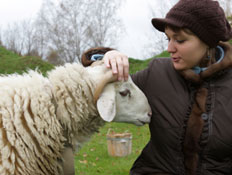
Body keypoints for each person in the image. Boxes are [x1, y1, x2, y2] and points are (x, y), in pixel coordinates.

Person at [82, 0, 232, 174]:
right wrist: (107, 56)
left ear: (209, 41)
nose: (169, 48)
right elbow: (91, 85)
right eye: (168, 39)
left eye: (180, 40)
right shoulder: (156, 73)